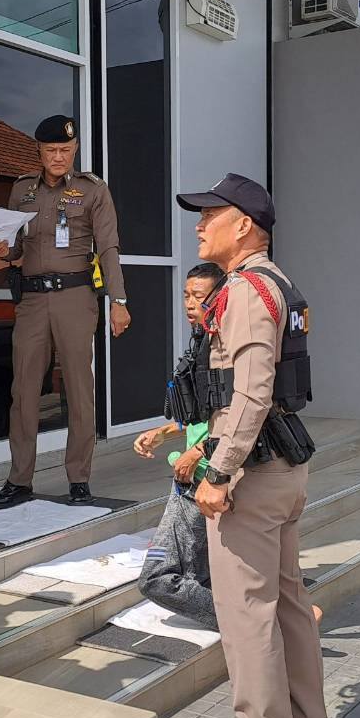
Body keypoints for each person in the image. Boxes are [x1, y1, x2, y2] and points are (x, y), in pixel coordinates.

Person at [175, 173, 331, 718]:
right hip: (285, 467)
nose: (199, 225)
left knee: (247, 612)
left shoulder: (244, 289)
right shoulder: (278, 284)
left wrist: (217, 471)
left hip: (254, 474)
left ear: (243, 226)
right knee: (288, 600)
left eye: (210, 215)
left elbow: (251, 393)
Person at [0, 115, 130, 509]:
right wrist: (4, 250)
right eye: (51, 150)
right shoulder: (22, 190)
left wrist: (118, 300)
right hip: (32, 300)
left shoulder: (93, 189)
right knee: (23, 391)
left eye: (66, 149)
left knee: (79, 389)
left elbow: (108, 248)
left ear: (75, 148)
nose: (59, 157)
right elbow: (16, 248)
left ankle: (79, 479)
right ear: (39, 150)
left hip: (75, 298)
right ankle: (19, 480)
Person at [133, 263, 224, 630]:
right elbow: (203, 414)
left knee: (157, 577)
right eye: (186, 295)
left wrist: (198, 451)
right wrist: (165, 432)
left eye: (198, 296)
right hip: (190, 480)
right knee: (199, 574)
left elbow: (244, 417)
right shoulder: (201, 341)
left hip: (202, 480)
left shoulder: (225, 349)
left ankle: (257, 623)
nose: (189, 303)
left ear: (219, 299)